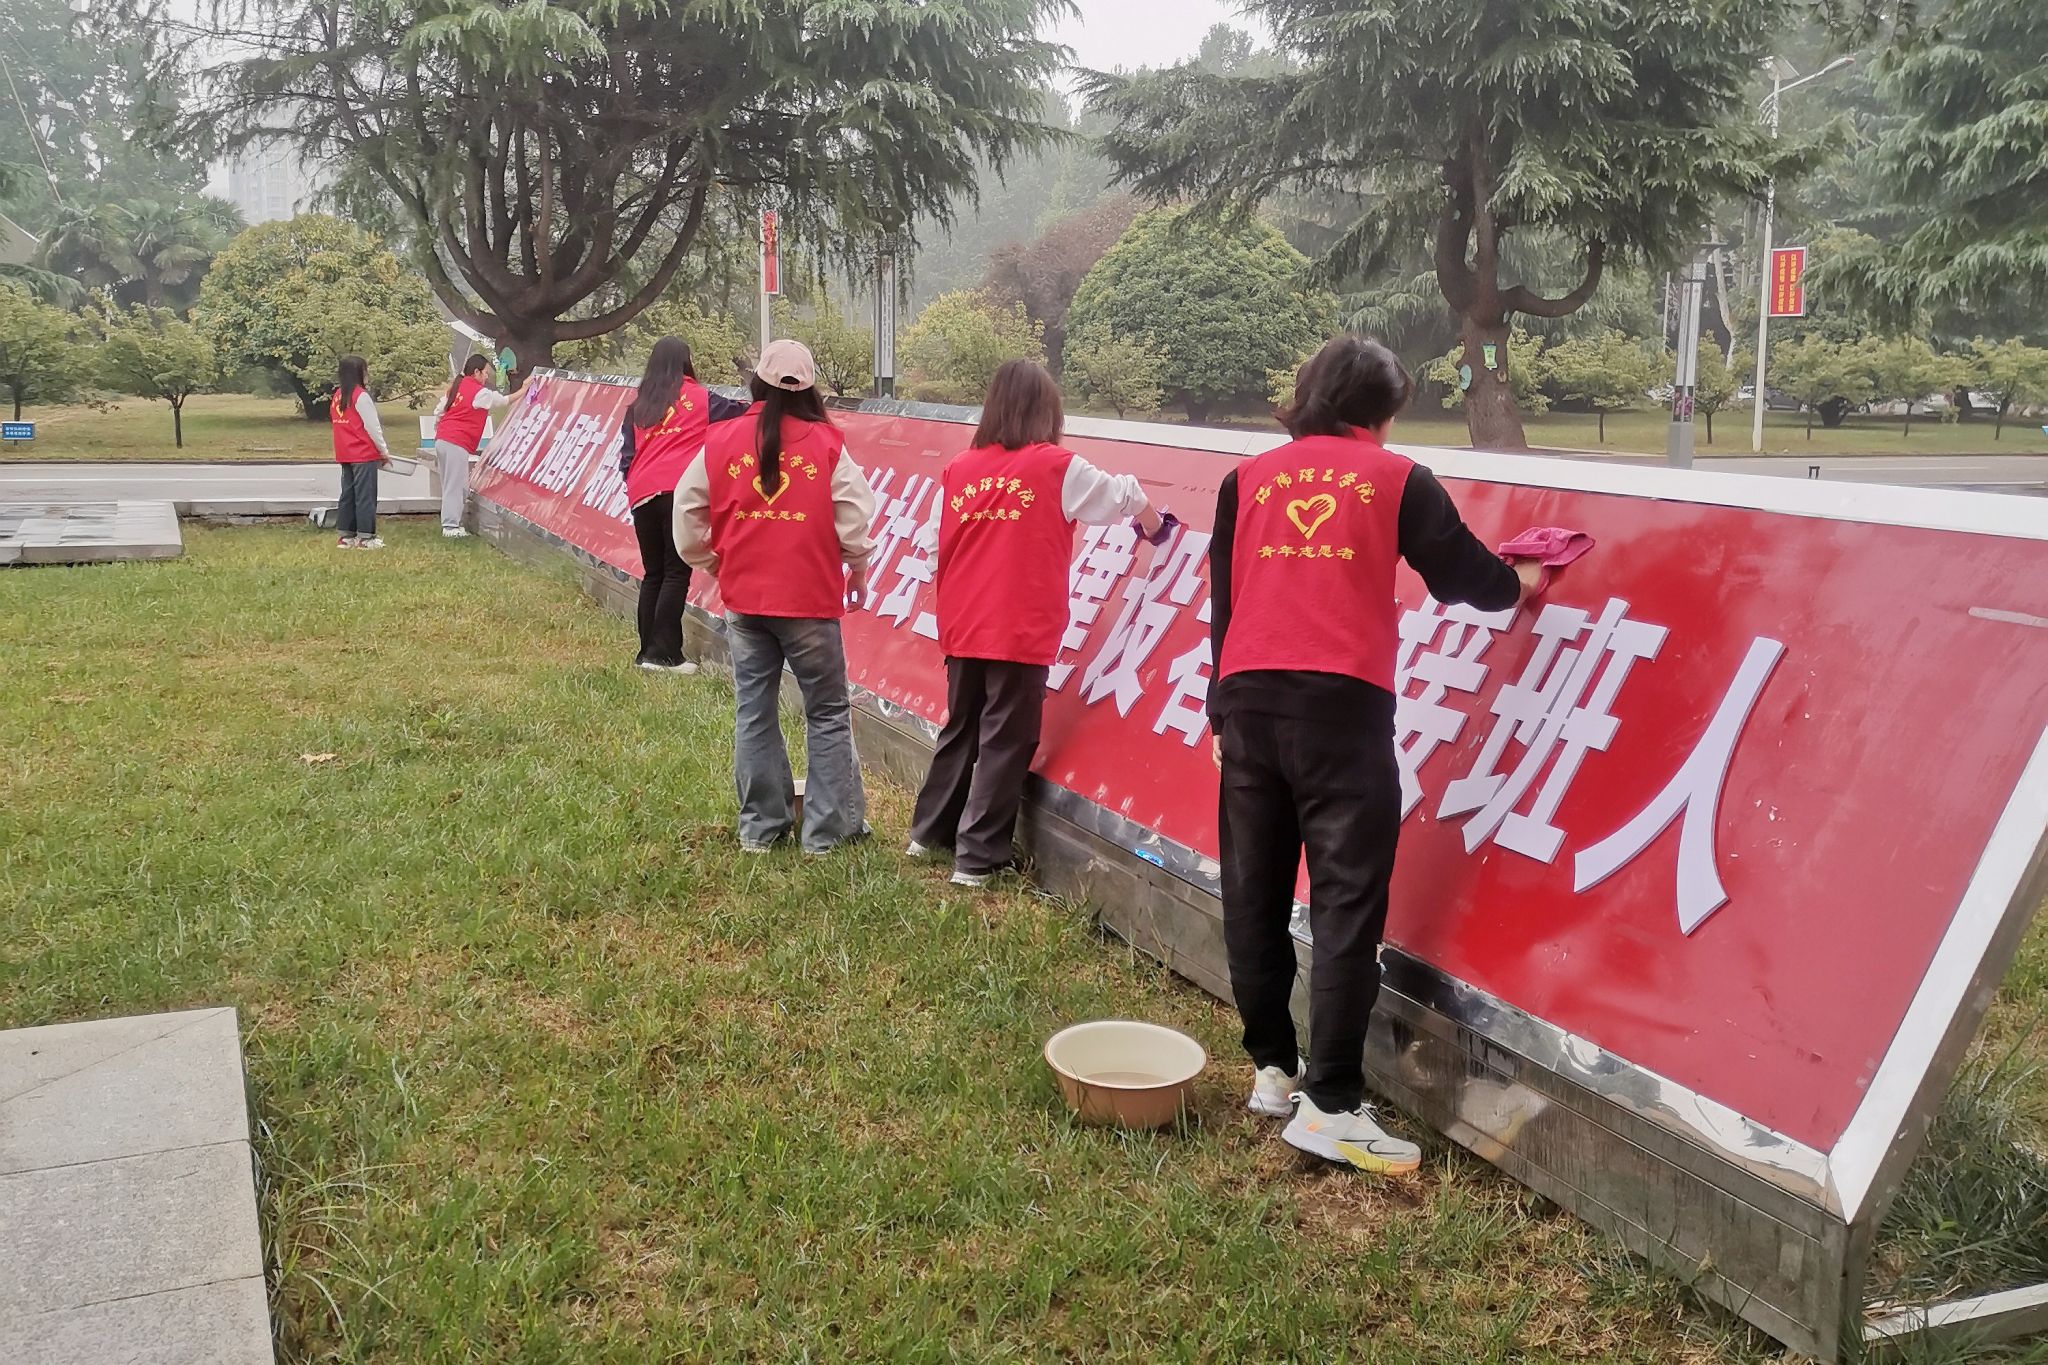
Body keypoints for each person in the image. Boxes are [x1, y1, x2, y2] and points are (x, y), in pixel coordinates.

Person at [1209, 335, 1543, 1176]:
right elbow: (1462, 575)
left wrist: (1219, 711)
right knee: (1346, 901)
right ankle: (1331, 1102)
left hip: (1247, 701)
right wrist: (1522, 583)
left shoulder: (1246, 480)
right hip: (1341, 709)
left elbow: (1226, 600)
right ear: (1381, 412)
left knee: (1252, 889)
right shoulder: (1396, 480)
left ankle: (1273, 1069)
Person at [906, 359, 1168, 888]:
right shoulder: (1055, 467)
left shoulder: (961, 468)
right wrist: (1153, 524)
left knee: (962, 726)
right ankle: (977, 858)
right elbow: (1121, 494)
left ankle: (928, 834)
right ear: (1047, 412)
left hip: (963, 621)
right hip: (1018, 625)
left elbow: (933, 544)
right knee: (1007, 737)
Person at [675, 340, 877, 854]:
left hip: (745, 600)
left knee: (755, 710)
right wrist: (857, 569)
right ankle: (827, 834)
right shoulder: (827, 443)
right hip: (809, 600)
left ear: (757, 383)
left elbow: (687, 513)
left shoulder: (721, 439)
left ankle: (760, 829)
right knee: (826, 712)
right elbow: (854, 518)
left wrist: (715, 563)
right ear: (810, 388)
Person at [620, 337, 750, 673]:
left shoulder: (638, 406)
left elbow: (626, 459)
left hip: (642, 495)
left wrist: (638, 487)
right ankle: (664, 656)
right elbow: (743, 414)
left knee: (654, 574)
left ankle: (647, 653)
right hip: (679, 493)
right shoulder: (701, 398)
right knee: (676, 573)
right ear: (685, 362)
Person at [432, 355, 528, 539]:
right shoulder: (479, 392)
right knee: (456, 485)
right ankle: (450, 526)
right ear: (476, 372)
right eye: (485, 373)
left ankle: (450, 522)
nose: (486, 377)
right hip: (456, 441)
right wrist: (524, 390)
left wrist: (440, 429)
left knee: (450, 483)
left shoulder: (457, 386)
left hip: (443, 439)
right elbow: (502, 401)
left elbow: (439, 411)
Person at [330, 355, 392, 549]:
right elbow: (373, 427)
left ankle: (346, 536)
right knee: (366, 496)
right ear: (359, 372)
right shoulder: (360, 396)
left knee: (348, 495)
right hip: (363, 453)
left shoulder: (338, 395)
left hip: (345, 451)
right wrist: (383, 451)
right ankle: (366, 538)